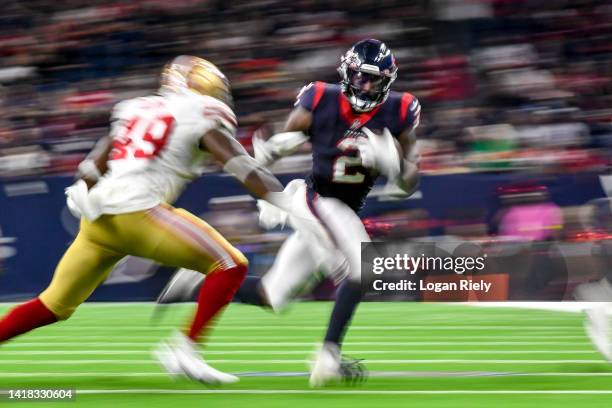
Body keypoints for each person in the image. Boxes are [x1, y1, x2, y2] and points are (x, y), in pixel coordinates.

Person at [0, 55, 294, 385]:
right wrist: (280, 199)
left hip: (98, 220)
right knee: (231, 265)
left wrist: (84, 188)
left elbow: (94, 162)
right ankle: (185, 351)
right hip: (138, 213)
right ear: (199, 83)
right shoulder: (201, 113)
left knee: (52, 304)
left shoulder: (136, 108)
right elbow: (243, 167)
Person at [158, 40, 421, 386]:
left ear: (388, 81)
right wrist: (267, 183)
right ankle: (328, 355)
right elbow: (279, 145)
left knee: (273, 296)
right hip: (316, 199)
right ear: (347, 73)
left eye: (374, 80)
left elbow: (407, 185)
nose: (366, 86)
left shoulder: (401, 109)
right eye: (360, 77)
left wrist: (396, 165)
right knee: (362, 267)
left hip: (340, 208)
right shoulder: (320, 97)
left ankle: (199, 280)